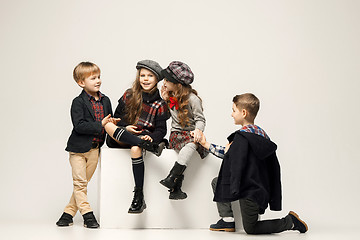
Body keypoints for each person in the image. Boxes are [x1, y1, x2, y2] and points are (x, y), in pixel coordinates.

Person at [56, 62, 161, 228]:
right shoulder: (78, 102)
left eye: (99, 77)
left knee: (81, 184)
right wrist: (102, 124)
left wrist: (120, 127)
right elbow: (79, 126)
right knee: (80, 184)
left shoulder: (106, 101)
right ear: (81, 83)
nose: (98, 81)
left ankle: (68, 213)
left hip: (95, 149)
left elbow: (113, 122)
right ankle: (87, 215)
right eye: (93, 78)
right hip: (78, 149)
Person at [196, 93, 308, 234]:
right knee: (217, 182)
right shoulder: (262, 135)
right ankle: (227, 221)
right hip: (258, 187)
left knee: (252, 228)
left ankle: (290, 222)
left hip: (249, 189)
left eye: (233, 110)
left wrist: (206, 144)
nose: (231, 114)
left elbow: (227, 155)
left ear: (243, 113)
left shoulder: (241, 138)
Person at [105, 60, 170, 214]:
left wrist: (151, 138)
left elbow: (161, 131)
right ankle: (141, 143)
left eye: (150, 76)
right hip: (121, 136)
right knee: (107, 124)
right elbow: (116, 118)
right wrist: (125, 128)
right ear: (138, 77)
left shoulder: (160, 104)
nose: (145, 79)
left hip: (142, 138)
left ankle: (139, 196)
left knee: (136, 149)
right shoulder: (129, 95)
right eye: (142, 75)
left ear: (157, 80)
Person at [159, 61, 208, 200]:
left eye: (168, 80)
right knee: (192, 144)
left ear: (178, 84)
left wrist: (198, 131)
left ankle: (174, 183)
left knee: (193, 142)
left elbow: (200, 119)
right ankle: (173, 179)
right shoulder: (171, 97)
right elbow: (168, 117)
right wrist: (165, 101)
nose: (164, 82)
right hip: (176, 135)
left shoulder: (193, 99)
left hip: (191, 134)